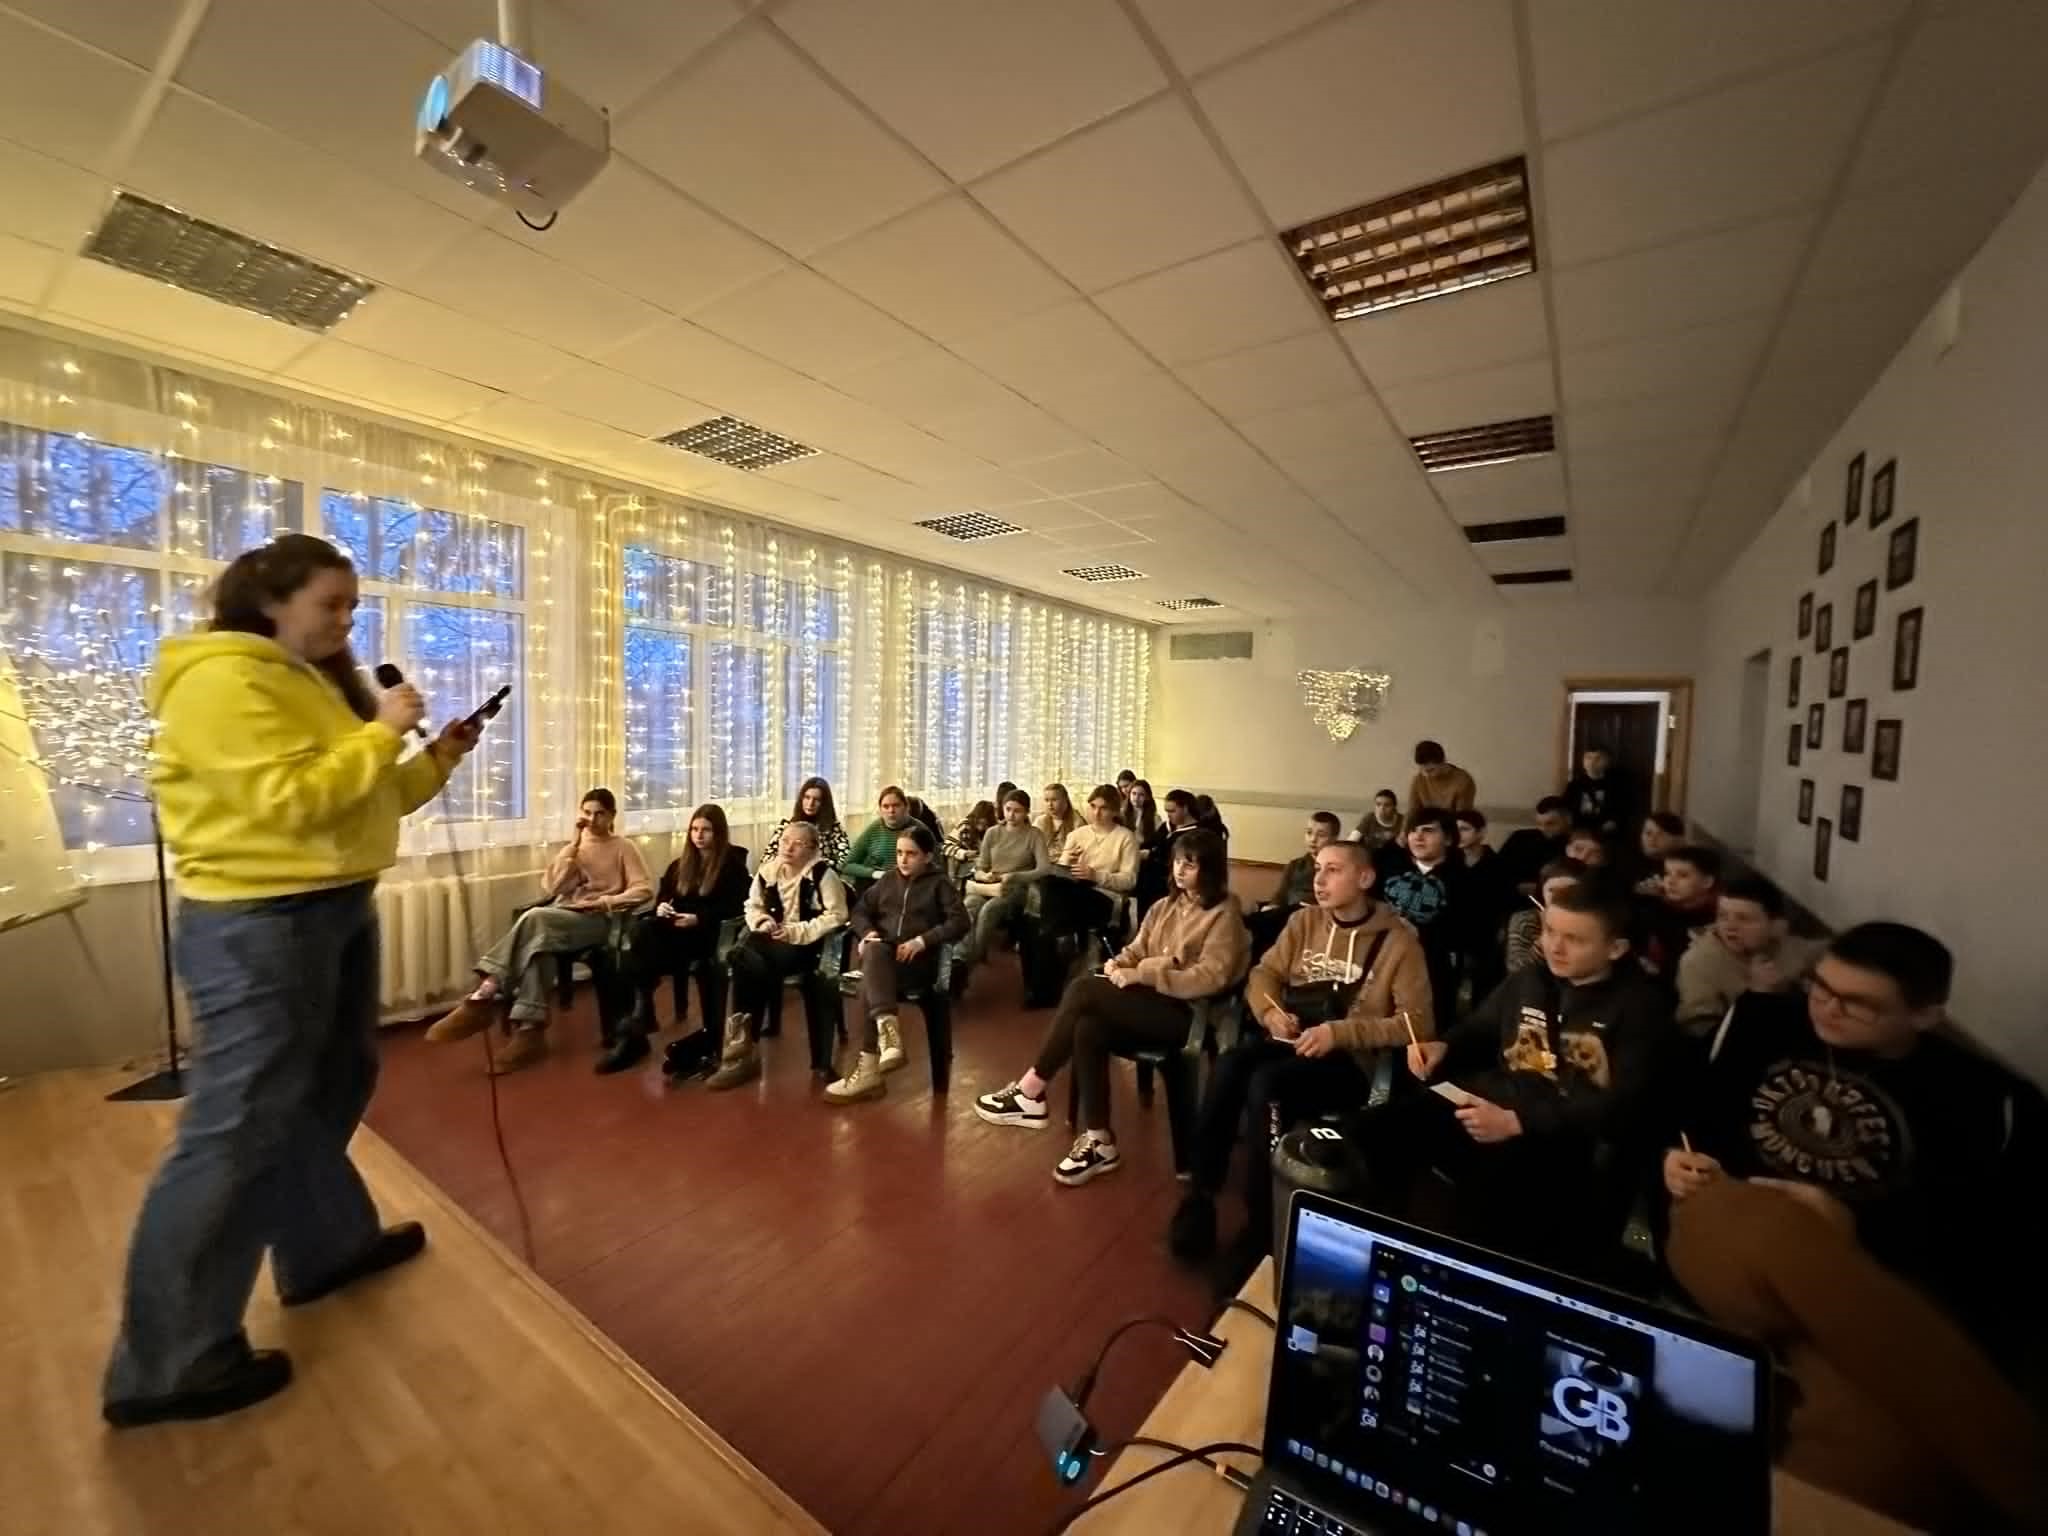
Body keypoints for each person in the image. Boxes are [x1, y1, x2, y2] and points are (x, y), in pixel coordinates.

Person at [102, 533, 480, 1428]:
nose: (348, 622)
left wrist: (435, 757)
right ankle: (168, 1361)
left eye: (353, 606)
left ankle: (324, 1248)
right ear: (270, 601)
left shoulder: (304, 681)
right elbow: (289, 801)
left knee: (331, 1087)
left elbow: (359, 798)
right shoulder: (222, 681)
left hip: (333, 907)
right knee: (236, 1131)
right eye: (332, 605)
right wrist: (383, 730)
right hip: (258, 924)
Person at [1660, 925, 2048, 1530]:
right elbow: (1689, 1115)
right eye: (1820, 988)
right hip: (1736, 1230)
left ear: (1924, 1015)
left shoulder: (1977, 1096)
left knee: (1882, 1457)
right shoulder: (1762, 1023)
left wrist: (1846, 1225)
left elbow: (1979, 1242)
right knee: (1775, 1228)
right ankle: (2017, 1471)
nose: (1826, 1008)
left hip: (1864, 1279)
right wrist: (1673, 1158)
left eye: (1856, 1003)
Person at [1363, 876, 1672, 1272]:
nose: (1554, 947)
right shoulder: (1531, 979)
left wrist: (1518, 1122)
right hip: (1492, 1100)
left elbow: (1622, 1106)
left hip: (1560, 1138)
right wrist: (1444, 1046)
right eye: (1549, 932)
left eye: (1574, 939)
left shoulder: (1640, 1007)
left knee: (1485, 1205)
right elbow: (1479, 1029)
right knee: (1374, 1134)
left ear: (1616, 948)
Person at [1172, 839, 1434, 1282]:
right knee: (1232, 1064)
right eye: (1317, 868)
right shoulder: (1303, 922)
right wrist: (1271, 1011)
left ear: (1365, 879)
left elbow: (1416, 1023)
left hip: (1349, 1060)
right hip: (1293, 1036)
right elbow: (1262, 974)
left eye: (1333, 870)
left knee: (1267, 1087)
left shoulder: (1398, 942)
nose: (1319, 879)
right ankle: (1202, 1194)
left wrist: (1340, 1033)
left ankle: (1262, 1227)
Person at [974, 830, 1247, 1186]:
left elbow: (1211, 977)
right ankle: (1099, 1139)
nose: (1180, 871)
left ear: (1210, 869)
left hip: (1187, 1015)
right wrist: (1117, 965)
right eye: (1178, 862)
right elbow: (1137, 948)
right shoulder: (1165, 906)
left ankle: (1031, 1090)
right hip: (1150, 1003)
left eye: (1190, 864)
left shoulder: (1224, 914)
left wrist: (1145, 974)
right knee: (1088, 1026)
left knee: (1084, 989)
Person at [427, 788, 653, 1073]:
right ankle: (530, 1033)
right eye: (586, 813)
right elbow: (553, 889)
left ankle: (486, 990)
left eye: (600, 814)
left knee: (535, 918)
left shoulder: (623, 847)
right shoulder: (574, 849)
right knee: (538, 950)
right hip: (564, 916)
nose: (592, 820)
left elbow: (644, 889)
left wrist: (606, 902)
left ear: (612, 816)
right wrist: (572, 848)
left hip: (599, 922)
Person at [600, 803, 750, 1075]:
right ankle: (637, 1019)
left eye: (706, 830)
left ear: (718, 833)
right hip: (675, 931)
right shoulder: (680, 865)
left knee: (637, 952)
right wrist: (662, 908)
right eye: (694, 829)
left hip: (707, 936)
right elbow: (666, 897)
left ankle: (638, 1020)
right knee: (635, 936)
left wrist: (699, 919)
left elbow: (736, 907)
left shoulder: (732, 868)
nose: (699, 835)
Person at [825, 822, 970, 1104]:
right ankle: (887, 1029)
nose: (903, 859)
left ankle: (869, 1067)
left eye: (911, 854)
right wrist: (867, 932)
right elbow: (860, 911)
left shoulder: (939, 885)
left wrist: (923, 940)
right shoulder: (888, 881)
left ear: (927, 856)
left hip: (919, 965)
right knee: (875, 953)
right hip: (886, 962)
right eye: (900, 853)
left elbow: (961, 921)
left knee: (871, 979)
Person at [709, 821, 849, 1087]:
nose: (789, 847)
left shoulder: (822, 875)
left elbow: (838, 915)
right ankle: (743, 1049)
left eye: (798, 843)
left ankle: (741, 1048)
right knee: (750, 957)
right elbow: (752, 905)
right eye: (785, 840)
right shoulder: (769, 871)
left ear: (812, 848)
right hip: (770, 943)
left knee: (744, 961)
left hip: (807, 947)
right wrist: (761, 920)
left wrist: (796, 932)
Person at [1672, 873, 1820, 1036]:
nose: (1730, 926)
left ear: (1775, 925)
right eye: (1722, 916)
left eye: (1744, 919)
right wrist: (1756, 997)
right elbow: (1701, 1033)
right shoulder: (1698, 962)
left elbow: (1827, 950)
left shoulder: (1787, 945)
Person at [1379, 809, 1466, 1026]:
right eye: (1413, 831)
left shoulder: (1463, 878)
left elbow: (1466, 931)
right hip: (1384, 960)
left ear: (1448, 838)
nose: (1418, 837)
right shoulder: (1389, 867)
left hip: (1432, 966)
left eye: (1428, 831)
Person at [958, 789, 1051, 984]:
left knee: (989, 911)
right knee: (969, 907)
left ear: (1026, 812)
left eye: (1017, 811)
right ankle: (960, 958)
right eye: (1008, 809)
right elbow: (980, 867)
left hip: (1016, 889)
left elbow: (1044, 869)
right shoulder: (993, 833)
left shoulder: (1034, 835)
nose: (1011, 815)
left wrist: (1016, 876)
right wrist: (985, 875)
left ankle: (966, 967)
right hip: (989, 885)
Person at [1248, 812, 1339, 959]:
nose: (1313, 839)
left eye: (1321, 835)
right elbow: (1281, 894)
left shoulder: (1337, 868)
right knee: (1254, 925)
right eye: (1309, 833)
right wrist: (1272, 906)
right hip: (1287, 914)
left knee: (1258, 924)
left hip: (1314, 915)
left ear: (1334, 839)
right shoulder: (1295, 865)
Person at [1636, 842, 1722, 984]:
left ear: (1707, 882)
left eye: (1682, 875)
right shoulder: (1659, 904)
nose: (1670, 881)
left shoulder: (1713, 921)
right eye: (1667, 873)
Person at [1454, 808, 1511, 1005]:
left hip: (1485, 935)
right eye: (1455, 829)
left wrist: (1502, 928)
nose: (1458, 834)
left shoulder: (1497, 864)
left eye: (1465, 829)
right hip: (1455, 934)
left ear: (1481, 832)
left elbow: (1505, 900)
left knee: (1483, 989)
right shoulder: (1451, 862)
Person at [1505, 857, 1586, 974]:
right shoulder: (1525, 920)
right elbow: (1515, 970)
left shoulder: (1591, 921)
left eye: (1568, 890)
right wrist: (1545, 937)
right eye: (1552, 890)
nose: (1558, 897)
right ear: (1542, 892)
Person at [765, 776, 850, 871]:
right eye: (807, 797)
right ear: (801, 799)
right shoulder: (787, 825)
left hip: (819, 877)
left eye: (817, 800)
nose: (810, 803)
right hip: (786, 875)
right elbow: (767, 858)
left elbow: (845, 861)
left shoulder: (833, 827)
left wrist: (813, 862)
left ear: (824, 803)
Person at [1136, 787, 1196, 916]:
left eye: (1172, 811)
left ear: (1185, 809)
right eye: (1166, 811)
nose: (1168, 815)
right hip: (1147, 883)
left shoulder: (1194, 834)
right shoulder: (1166, 826)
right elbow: (1150, 842)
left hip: (1168, 886)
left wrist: (1151, 854)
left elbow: (1171, 855)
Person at [842, 784, 914, 886]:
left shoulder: (919, 830)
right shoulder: (874, 829)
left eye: (896, 805)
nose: (891, 811)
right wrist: (874, 873)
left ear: (906, 807)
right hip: (875, 884)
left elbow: (934, 867)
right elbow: (846, 865)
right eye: (886, 806)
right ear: (880, 810)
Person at [1498, 795, 1570, 893]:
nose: (1543, 829)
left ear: (1568, 819)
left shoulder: (1574, 845)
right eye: (1539, 824)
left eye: (1550, 823)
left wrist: (1538, 888)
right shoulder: (1520, 837)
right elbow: (1497, 869)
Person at [1562, 744, 1634, 836]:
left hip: (1607, 833)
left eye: (1598, 758)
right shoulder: (1575, 785)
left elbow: (1624, 810)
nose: (1592, 762)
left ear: (1607, 761)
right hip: (1579, 832)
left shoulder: (1618, 785)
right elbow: (1565, 809)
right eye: (1588, 758)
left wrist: (1615, 822)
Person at [1405, 739, 1476, 824]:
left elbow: (1462, 818)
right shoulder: (1419, 779)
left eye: (1430, 770)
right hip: (1427, 829)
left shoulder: (1463, 780)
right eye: (1421, 770)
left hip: (1452, 829)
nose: (1426, 775)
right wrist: (1403, 833)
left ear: (1443, 762)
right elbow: (1412, 812)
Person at [1627, 810, 1687, 895]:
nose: (1652, 839)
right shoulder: (1628, 858)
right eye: (1648, 833)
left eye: (1661, 834)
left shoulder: (1683, 867)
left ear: (1678, 840)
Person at [944, 799, 997, 870]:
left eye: (985, 825)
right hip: (966, 865)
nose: (981, 828)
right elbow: (946, 847)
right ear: (975, 818)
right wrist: (964, 853)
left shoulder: (993, 829)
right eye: (979, 823)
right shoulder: (965, 825)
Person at [1037, 782, 1081, 862]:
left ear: (1065, 800)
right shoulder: (1040, 821)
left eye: (1054, 800)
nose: (1050, 804)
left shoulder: (1077, 822)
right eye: (1046, 800)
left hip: (1066, 866)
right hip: (1043, 864)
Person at [1353, 788, 1405, 854]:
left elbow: (1404, 846)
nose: (1382, 808)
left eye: (1387, 805)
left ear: (1394, 807)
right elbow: (1352, 840)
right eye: (1378, 804)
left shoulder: (1403, 821)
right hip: (1370, 857)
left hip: (1393, 858)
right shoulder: (1369, 818)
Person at [1122, 777, 1160, 842]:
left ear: (1147, 797)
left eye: (1141, 795)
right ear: (1129, 794)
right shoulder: (1122, 813)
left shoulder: (1155, 818)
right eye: (1134, 793)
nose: (1136, 798)